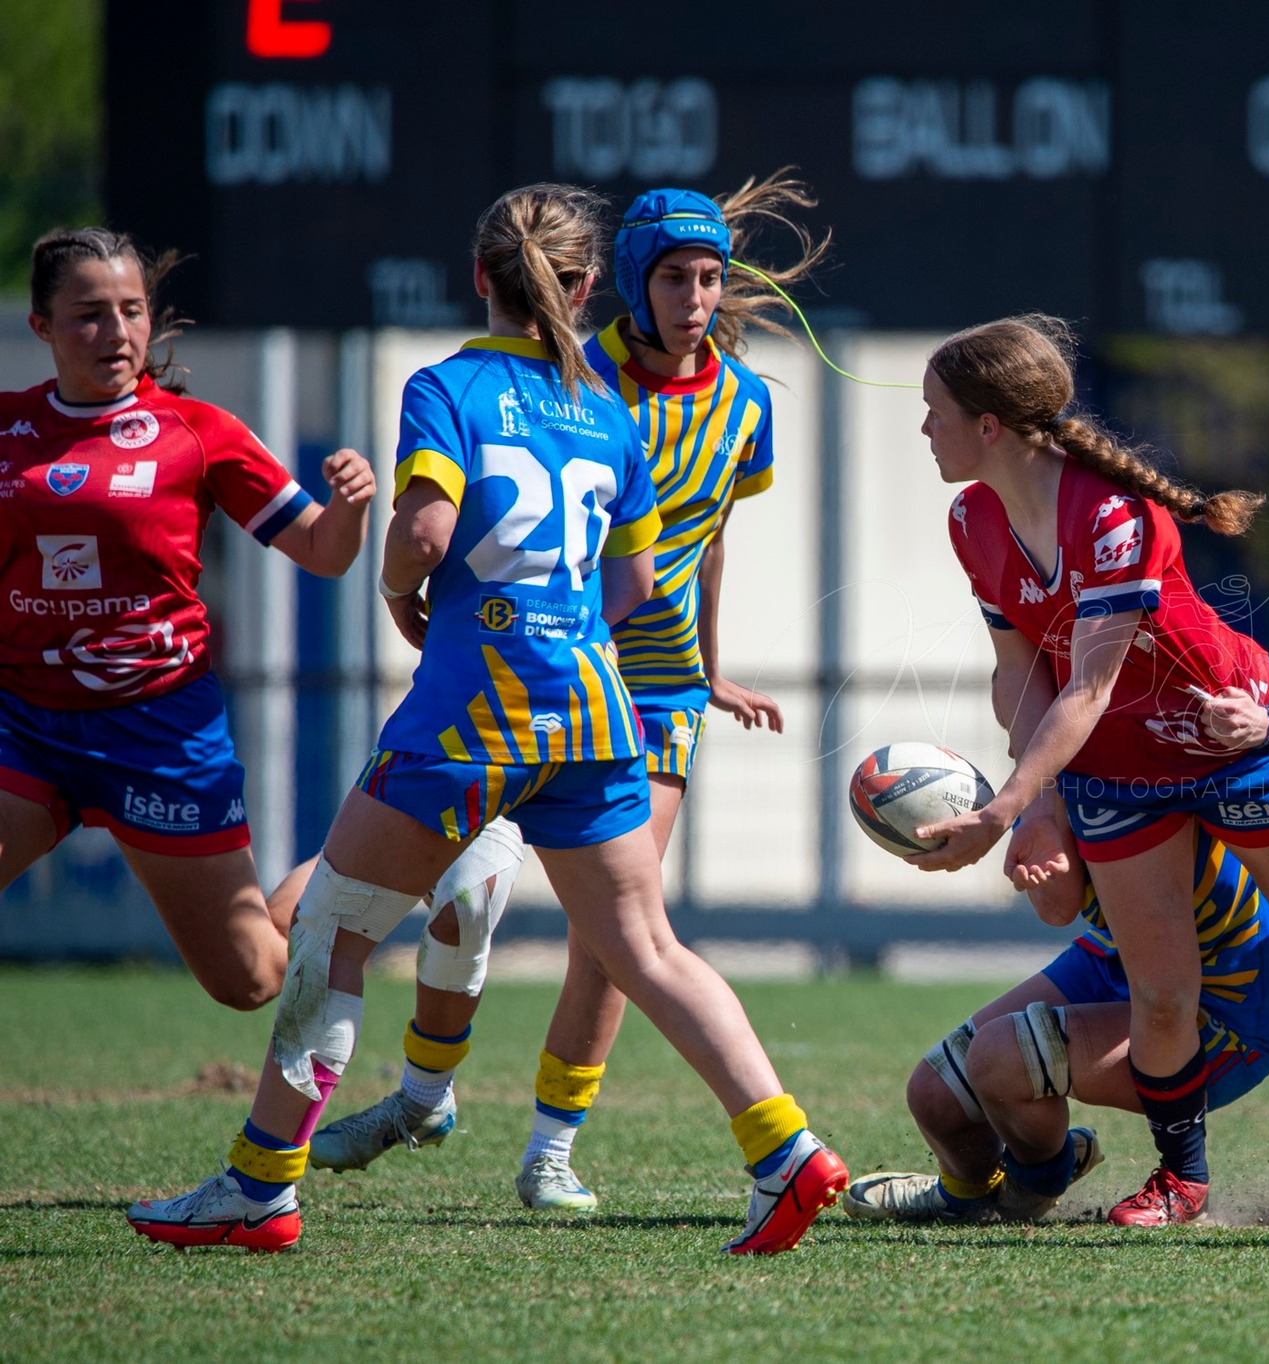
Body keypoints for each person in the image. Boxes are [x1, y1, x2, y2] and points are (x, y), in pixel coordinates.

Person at [125, 183, 847, 1255]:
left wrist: (400, 595)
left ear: (480, 279)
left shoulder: (449, 383)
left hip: (470, 716)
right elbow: (642, 574)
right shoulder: (602, 404)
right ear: (591, 286)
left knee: (331, 929)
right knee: (647, 945)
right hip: (600, 711)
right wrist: (562, 628)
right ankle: (786, 1150)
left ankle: (259, 1183)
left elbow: (422, 527)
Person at [303, 176, 822, 1214]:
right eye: (674, 276)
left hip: (652, 688)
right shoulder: (576, 384)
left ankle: (548, 1148)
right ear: (621, 281)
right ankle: (423, 1097)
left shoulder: (747, 406)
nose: (695, 297)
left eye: (710, 277)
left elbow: (710, 538)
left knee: (614, 938)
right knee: (471, 897)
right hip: (541, 670)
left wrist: (709, 667)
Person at [910, 316, 1269, 1227]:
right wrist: (1040, 810)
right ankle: (1181, 1180)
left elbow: (1091, 685)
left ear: (990, 424)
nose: (924, 429)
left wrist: (1008, 812)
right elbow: (1021, 675)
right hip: (1115, 766)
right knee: (1159, 989)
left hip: (1220, 737)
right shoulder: (972, 518)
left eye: (935, 412)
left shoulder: (1113, 515)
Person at [0, 227, 374, 1011]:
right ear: (41, 327)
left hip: (158, 732)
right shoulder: (9, 430)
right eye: (88, 315)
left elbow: (323, 553)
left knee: (253, 981)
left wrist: (349, 506)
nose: (116, 333)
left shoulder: (196, 432)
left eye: (131, 311)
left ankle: (390, 861)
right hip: (26, 724)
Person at [844, 696, 1269, 1225]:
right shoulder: (1048, 785)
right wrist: (1027, 819)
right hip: (1118, 962)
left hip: (1226, 1012)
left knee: (997, 1058)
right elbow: (1057, 908)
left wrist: (1266, 725)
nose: (1006, 707)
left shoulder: (1160, 747)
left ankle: (1039, 1179)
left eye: (1021, 692)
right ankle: (967, 1192)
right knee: (935, 1093)